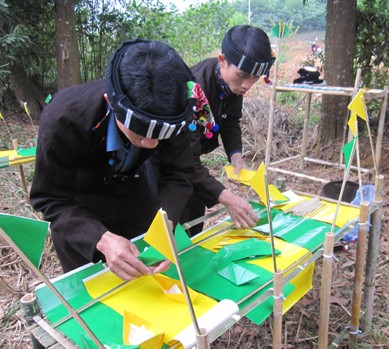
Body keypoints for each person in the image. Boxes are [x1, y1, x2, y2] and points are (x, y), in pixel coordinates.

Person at [30, 39, 200, 280]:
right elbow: (49, 197)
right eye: (140, 134)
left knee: (147, 281)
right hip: (81, 209)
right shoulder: (63, 119)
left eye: (159, 137)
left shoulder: (172, 110)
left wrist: (165, 224)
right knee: (94, 294)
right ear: (111, 103)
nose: (151, 144)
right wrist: (101, 239)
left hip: (135, 194)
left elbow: (179, 173)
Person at [180, 25, 276, 236]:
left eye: (254, 78)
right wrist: (227, 198)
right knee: (177, 218)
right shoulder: (193, 90)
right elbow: (186, 162)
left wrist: (236, 156)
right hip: (164, 163)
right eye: (242, 76)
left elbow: (231, 121)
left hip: (190, 160)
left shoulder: (231, 84)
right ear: (222, 60)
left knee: (195, 215)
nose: (247, 85)